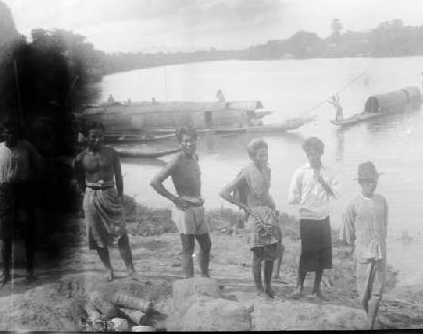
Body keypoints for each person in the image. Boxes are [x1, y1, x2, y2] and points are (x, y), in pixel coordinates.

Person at [74, 121, 145, 282]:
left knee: (121, 233)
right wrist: (89, 197)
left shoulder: (112, 153)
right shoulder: (80, 158)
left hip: (110, 193)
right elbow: (79, 182)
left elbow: (119, 176)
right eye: (93, 136)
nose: (98, 140)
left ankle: (131, 270)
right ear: (86, 137)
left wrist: (120, 196)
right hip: (92, 195)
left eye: (100, 136)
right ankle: (108, 268)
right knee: (97, 234)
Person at [0, 118, 43, 286]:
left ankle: (30, 272)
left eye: (13, 132)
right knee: (6, 236)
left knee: (28, 233)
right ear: (3, 133)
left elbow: (39, 165)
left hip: (25, 193)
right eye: (7, 132)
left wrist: (31, 180)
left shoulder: (27, 147)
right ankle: (5, 273)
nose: (10, 135)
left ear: (18, 133)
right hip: (6, 193)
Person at [219, 139, 281, 299]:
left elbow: (265, 191)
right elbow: (224, 192)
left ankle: (268, 286)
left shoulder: (268, 170)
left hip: (268, 215)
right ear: (253, 156)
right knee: (258, 256)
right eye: (261, 155)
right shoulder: (246, 172)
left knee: (271, 255)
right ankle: (259, 288)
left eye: (266, 154)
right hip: (255, 218)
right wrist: (245, 207)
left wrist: (272, 204)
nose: (264, 158)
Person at [150, 126, 211, 278]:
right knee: (188, 248)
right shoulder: (177, 159)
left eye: (192, 140)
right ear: (180, 143)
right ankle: (189, 280)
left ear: (196, 140)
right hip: (184, 209)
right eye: (186, 141)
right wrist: (174, 199)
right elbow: (155, 181)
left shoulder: (195, 157)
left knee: (206, 245)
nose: (189, 144)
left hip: (198, 206)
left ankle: (204, 276)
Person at [288, 137, 340, 300]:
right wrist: (307, 203)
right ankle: (299, 286)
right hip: (308, 218)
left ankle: (316, 288)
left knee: (322, 255)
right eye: (309, 154)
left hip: (323, 217)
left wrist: (324, 184)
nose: (312, 157)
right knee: (306, 253)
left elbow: (336, 195)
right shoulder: (300, 172)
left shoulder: (329, 172)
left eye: (315, 153)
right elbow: (293, 197)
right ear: (306, 154)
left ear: (321, 153)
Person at [340, 161, 388, 329]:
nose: (370, 184)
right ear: (360, 182)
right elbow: (348, 231)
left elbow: (385, 227)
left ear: (377, 180)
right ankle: (369, 316)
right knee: (363, 294)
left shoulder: (382, 201)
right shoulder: (353, 204)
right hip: (362, 255)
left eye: (373, 180)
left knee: (377, 293)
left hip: (380, 254)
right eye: (366, 181)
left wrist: (379, 244)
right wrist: (357, 247)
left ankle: (370, 325)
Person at [272, 211, 287, 284]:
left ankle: (276, 275)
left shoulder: (275, 221)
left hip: (277, 241)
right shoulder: (273, 221)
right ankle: (275, 275)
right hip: (275, 241)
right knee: (277, 257)